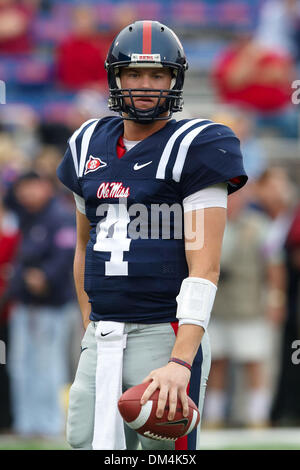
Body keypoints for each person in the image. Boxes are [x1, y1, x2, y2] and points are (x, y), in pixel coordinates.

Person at [57, 20, 247, 451]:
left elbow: (206, 265)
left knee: (160, 453)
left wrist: (181, 359)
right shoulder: (87, 142)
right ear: (115, 77)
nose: (145, 85)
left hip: (163, 332)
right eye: (134, 73)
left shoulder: (198, 144)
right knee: (87, 443)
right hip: (102, 334)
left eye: (157, 75)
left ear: (174, 79)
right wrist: (93, 327)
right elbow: (85, 245)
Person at [5, 171, 77, 437]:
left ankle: (48, 424)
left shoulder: (60, 216)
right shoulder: (25, 216)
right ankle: (26, 424)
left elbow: (66, 255)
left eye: (32, 187)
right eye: (23, 188)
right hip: (24, 304)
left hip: (51, 307)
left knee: (48, 366)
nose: (27, 193)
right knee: (20, 366)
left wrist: (44, 275)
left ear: (46, 187)